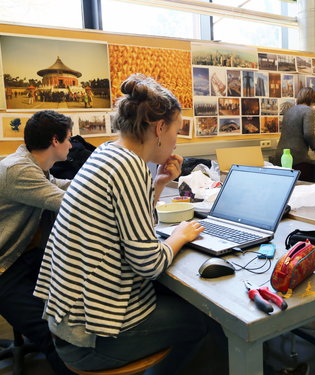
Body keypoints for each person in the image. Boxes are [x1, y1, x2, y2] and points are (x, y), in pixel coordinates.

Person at [33, 74, 221, 375]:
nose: (176, 141)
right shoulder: (128, 166)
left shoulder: (109, 154)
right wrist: (180, 236)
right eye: (176, 132)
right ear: (159, 128)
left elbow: (126, 224)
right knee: (208, 319)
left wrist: (159, 184)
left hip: (68, 320)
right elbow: (148, 263)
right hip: (91, 338)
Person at [0, 110, 74, 374]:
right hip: (5, 271)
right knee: (54, 334)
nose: (72, 145)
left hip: (24, 258)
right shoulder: (19, 170)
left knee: (68, 312)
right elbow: (69, 202)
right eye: (69, 139)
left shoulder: (34, 166)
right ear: (55, 140)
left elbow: (63, 186)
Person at [274, 87, 315, 181]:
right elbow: (308, 134)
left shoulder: (289, 111)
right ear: (312, 98)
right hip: (297, 158)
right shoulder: (308, 110)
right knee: (304, 189)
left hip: (281, 156)